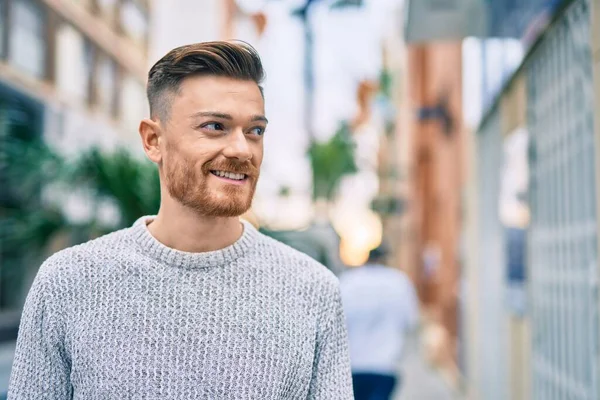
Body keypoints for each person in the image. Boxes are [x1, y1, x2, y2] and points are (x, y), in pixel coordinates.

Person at [8, 41, 353, 399]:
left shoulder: (313, 290)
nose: (241, 149)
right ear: (153, 140)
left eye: (255, 131)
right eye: (215, 126)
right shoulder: (67, 282)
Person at [340, 244, 419, 400]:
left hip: (352, 365)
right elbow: (411, 321)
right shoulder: (399, 282)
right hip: (385, 364)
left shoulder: (347, 282)